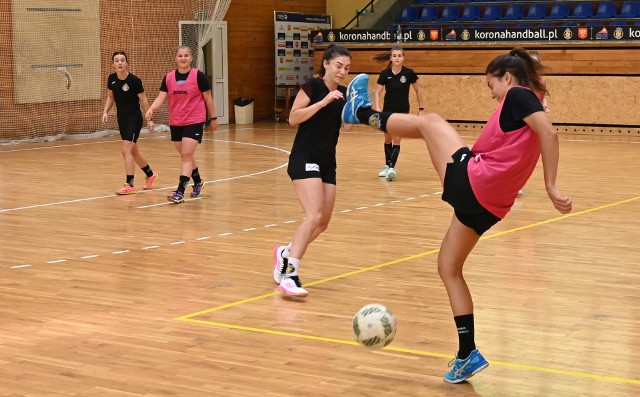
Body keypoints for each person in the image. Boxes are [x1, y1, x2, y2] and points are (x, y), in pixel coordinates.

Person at [341, 48, 572, 383]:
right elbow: (539, 105)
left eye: (491, 84)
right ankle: (467, 353)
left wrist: (551, 186)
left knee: (430, 122)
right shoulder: (532, 98)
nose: (491, 93)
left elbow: (550, 133)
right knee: (448, 267)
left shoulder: (519, 95)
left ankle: (359, 112)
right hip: (490, 206)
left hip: (476, 182)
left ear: (507, 78)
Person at [272, 44, 353, 297]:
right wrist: (324, 101)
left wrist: (356, 108)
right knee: (313, 215)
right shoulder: (313, 86)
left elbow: (347, 127)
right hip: (304, 156)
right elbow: (293, 118)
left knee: (323, 222)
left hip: (328, 160)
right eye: (339, 66)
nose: (342, 72)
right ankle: (290, 274)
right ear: (326, 64)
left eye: (347, 68)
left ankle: (286, 252)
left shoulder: (343, 93)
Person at [145, 45, 218, 204]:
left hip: (195, 120)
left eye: (186, 55)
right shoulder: (169, 77)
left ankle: (180, 191)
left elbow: (208, 99)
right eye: (180, 56)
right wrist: (151, 109)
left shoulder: (199, 76)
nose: (183, 58)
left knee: (186, 155)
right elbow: (160, 98)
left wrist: (214, 118)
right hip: (176, 121)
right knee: (186, 155)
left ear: (191, 58)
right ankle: (198, 182)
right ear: (176, 58)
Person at [102, 51, 157, 195]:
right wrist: (105, 112)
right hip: (122, 119)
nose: (120, 63)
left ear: (127, 63)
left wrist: (149, 119)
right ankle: (151, 175)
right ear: (113, 64)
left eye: (122, 60)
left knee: (125, 150)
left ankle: (130, 184)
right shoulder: (112, 79)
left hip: (134, 119)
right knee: (134, 152)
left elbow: (144, 100)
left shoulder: (134, 81)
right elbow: (110, 97)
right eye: (117, 60)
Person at [372, 45, 425, 181]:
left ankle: (391, 167)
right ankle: (387, 165)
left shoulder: (409, 73)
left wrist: (421, 109)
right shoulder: (385, 74)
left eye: (399, 56)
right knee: (388, 138)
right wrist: (377, 108)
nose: (397, 58)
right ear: (390, 58)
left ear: (403, 58)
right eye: (394, 56)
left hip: (402, 110)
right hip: (387, 110)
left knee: (397, 138)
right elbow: (377, 93)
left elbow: (419, 90)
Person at [518, 50, 549, 197]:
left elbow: (543, 97)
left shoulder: (541, 82)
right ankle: (514, 184)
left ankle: (519, 183)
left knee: (527, 157)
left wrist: (544, 105)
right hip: (522, 122)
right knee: (517, 153)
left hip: (535, 122)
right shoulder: (522, 83)